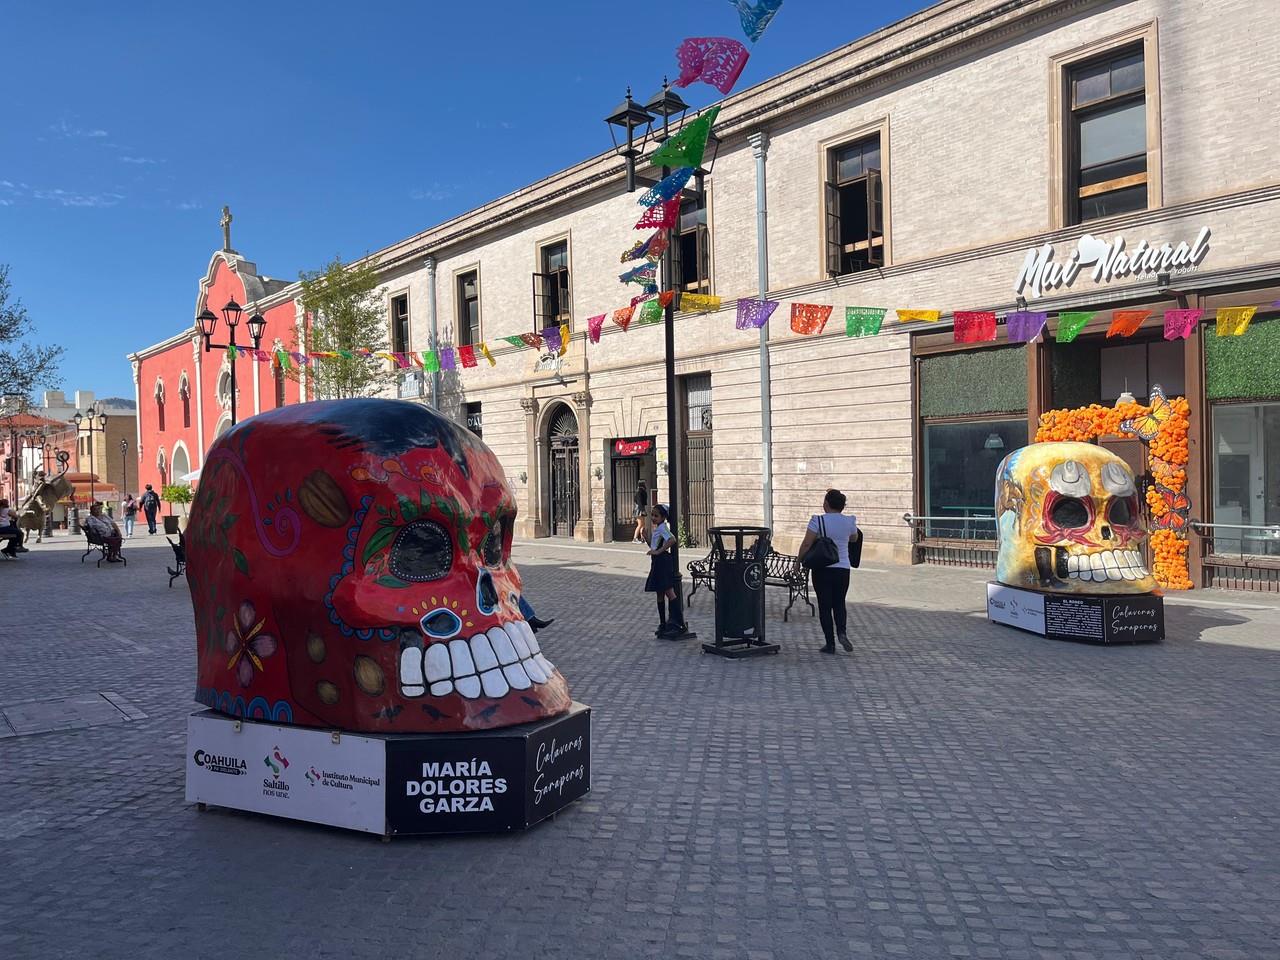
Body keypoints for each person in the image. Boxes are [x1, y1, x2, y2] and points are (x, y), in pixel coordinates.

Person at [797, 488, 859, 654]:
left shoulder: (817, 521)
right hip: (843, 568)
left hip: (822, 568)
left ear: (826, 503)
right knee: (839, 603)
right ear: (842, 506)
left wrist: (798, 562)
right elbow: (854, 538)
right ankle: (842, 633)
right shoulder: (850, 521)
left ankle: (830, 644)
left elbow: (807, 544)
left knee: (825, 606)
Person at [645, 503, 685, 637]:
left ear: (663, 517)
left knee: (669, 591)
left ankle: (679, 622)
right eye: (653, 515)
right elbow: (654, 545)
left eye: (656, 516)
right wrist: (646, 538)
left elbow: (672, 539)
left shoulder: (663, 528)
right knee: (660, 593)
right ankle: (663, 623)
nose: (653, 518)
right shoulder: (658, 529)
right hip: (657, 562)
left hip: (663, 562)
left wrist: (660, 551)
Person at [632, 478, 649, 544]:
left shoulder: (641, 490)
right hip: (639, 509)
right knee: (640, 524)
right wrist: (642, 510)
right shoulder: (639, 491)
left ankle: (643, 538)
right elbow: (639, 502)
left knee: (642, 524)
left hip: (640, 508)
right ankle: (635, 538)